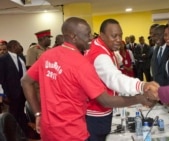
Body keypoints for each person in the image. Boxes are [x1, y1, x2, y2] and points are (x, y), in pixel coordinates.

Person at [21, 17, 156, 141]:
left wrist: (38, 114)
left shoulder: (47, 55)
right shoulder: (81, 63)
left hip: (48, 131)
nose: (90, 37)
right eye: (87, 34)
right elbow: (105, 100)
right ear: (74, 37)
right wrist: (139, 98)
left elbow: (25, 81)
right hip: (72, 133)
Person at [85, 18, 159, 141]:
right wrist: (142, 86)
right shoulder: (100, 55)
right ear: (102, 35)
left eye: (120, 35)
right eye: (114, 36)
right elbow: (115, 79)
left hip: (100, 111)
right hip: (96, 114)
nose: (119, 40)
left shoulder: (103, 47)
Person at [0, 40, 28, 136]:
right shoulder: (3, 59)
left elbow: (25, 75)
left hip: (22, 92)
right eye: (19, 45)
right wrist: (5, 94)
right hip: (12, 93)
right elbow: (2, 78)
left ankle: (24, 134)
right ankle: (14, 136)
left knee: (21, 114)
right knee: (13, 115)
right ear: (14, 46)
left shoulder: (21, 58)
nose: (21, 47)